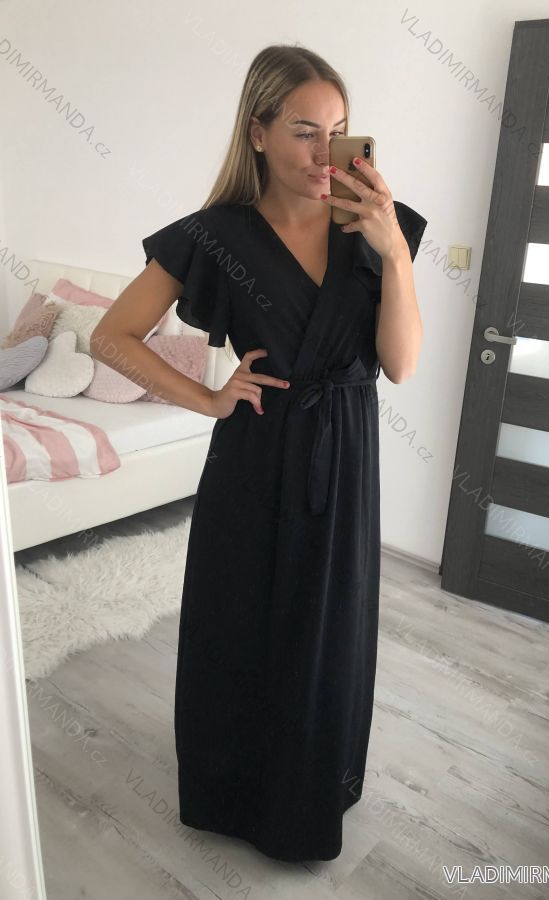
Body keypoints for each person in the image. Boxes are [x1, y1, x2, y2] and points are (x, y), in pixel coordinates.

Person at [90, 43, 427, 863]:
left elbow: (401, 364)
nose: (325, 154)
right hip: (255, 454)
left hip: (345, 453)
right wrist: (208, 398)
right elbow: (112, 336)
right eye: (305, 132)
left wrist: (393, 251)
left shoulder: (374, 227)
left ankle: (307, 797)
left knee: (326, 628)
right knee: (239, 622)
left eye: (339, 133)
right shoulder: (216, 235)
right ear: (259, 133)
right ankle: (231, 792)